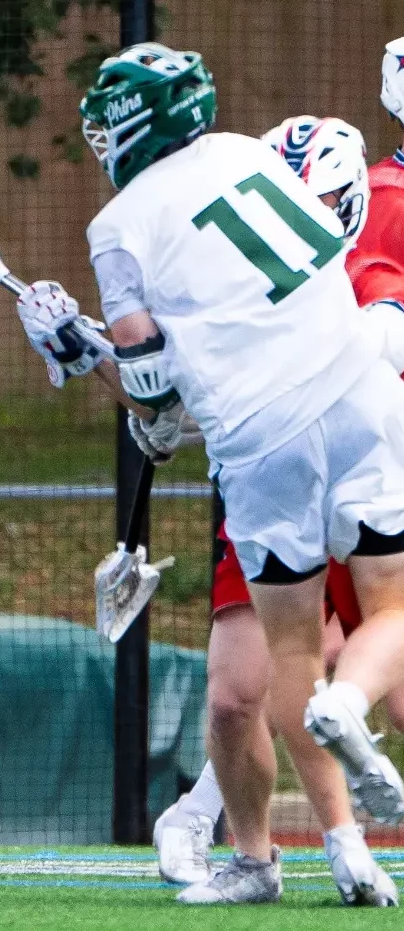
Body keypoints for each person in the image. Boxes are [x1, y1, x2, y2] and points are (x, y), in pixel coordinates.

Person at [15, 43, 404, 906]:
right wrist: (90, 345)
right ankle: (343, 721)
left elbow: (155, 403)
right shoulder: (243, 153)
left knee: (292, 645)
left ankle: (289, 807)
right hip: (356, 387)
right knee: (394, 611)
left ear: (135, 123)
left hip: (260, 442)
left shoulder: (116, 227)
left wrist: (81, 350)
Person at [149, 115, 401, 906]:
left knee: (369, 669)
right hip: (273, 484)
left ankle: (279, 825)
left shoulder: (372, 266)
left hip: (367, 474)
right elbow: (170, 399)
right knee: (237, 692)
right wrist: (101, 358)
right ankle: (257, 842)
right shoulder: (234, 276)